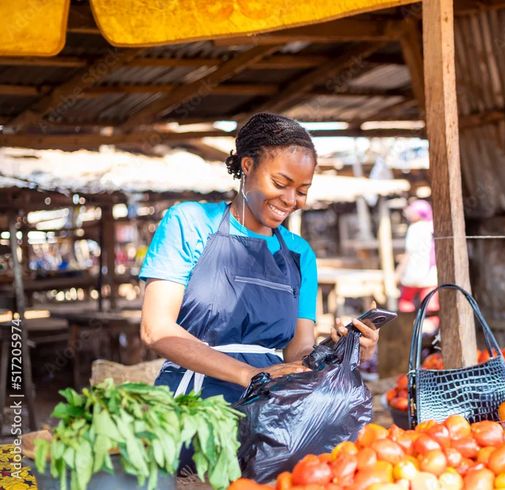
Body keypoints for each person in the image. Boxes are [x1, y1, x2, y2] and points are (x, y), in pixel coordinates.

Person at [139, 113, 379, 403]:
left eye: (302, 191)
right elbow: (157, 329)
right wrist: (249, 374)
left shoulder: (300, 254)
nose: (291, 200)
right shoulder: (189, 222)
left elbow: (299, 351)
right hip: (191, 405)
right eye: (280, 183)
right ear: (248, 166)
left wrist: (343, 351)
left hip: (270, 406)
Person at [395, 199, 439, 315]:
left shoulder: (415, 228)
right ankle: (430, 330)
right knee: (430, 306)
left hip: (413, 273)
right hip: (430, 275)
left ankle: (408, 328)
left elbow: (409, 253)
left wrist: (398, 274)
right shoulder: (432, 226)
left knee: (405, 303)